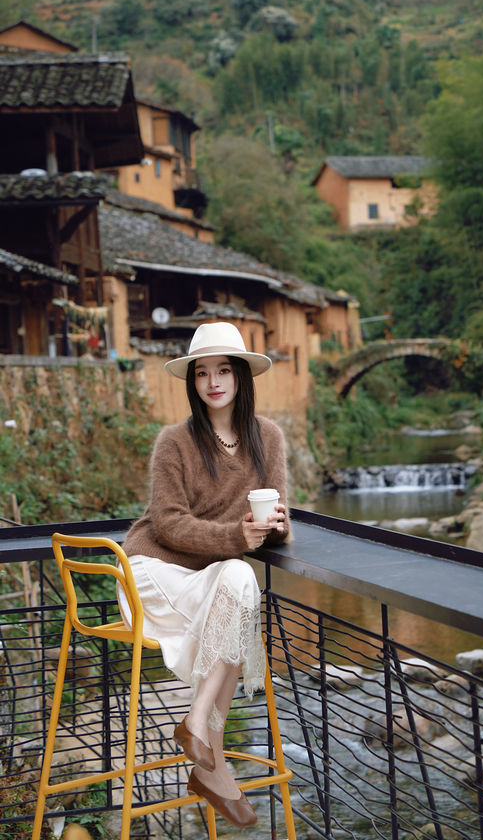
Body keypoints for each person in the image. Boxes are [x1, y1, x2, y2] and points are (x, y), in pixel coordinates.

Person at [119, 321, 291, 827]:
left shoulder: (269, 437)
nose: (213, 381)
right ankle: (212, 765)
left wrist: (274, 528)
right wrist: (237, 537)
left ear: (241, 376)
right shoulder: (174, 442)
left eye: (223, 370)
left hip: (212, 577)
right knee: (236, 586)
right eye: (201, 373)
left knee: (239, 580)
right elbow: (168, 523)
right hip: (154, 571)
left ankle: (196, 724)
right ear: (193, 382)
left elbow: (276, 518)